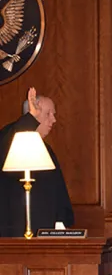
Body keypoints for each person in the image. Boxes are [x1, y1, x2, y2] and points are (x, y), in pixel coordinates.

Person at [0, 87, 74, 237]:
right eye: (48, 114)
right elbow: (8, 142)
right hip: (14, 231)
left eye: (53, 114)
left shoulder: (45, 149)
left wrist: (62, 221)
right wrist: (30, 118)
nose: (53, 119)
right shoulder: (11, 139)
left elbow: (57, 190)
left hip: (45, 231)